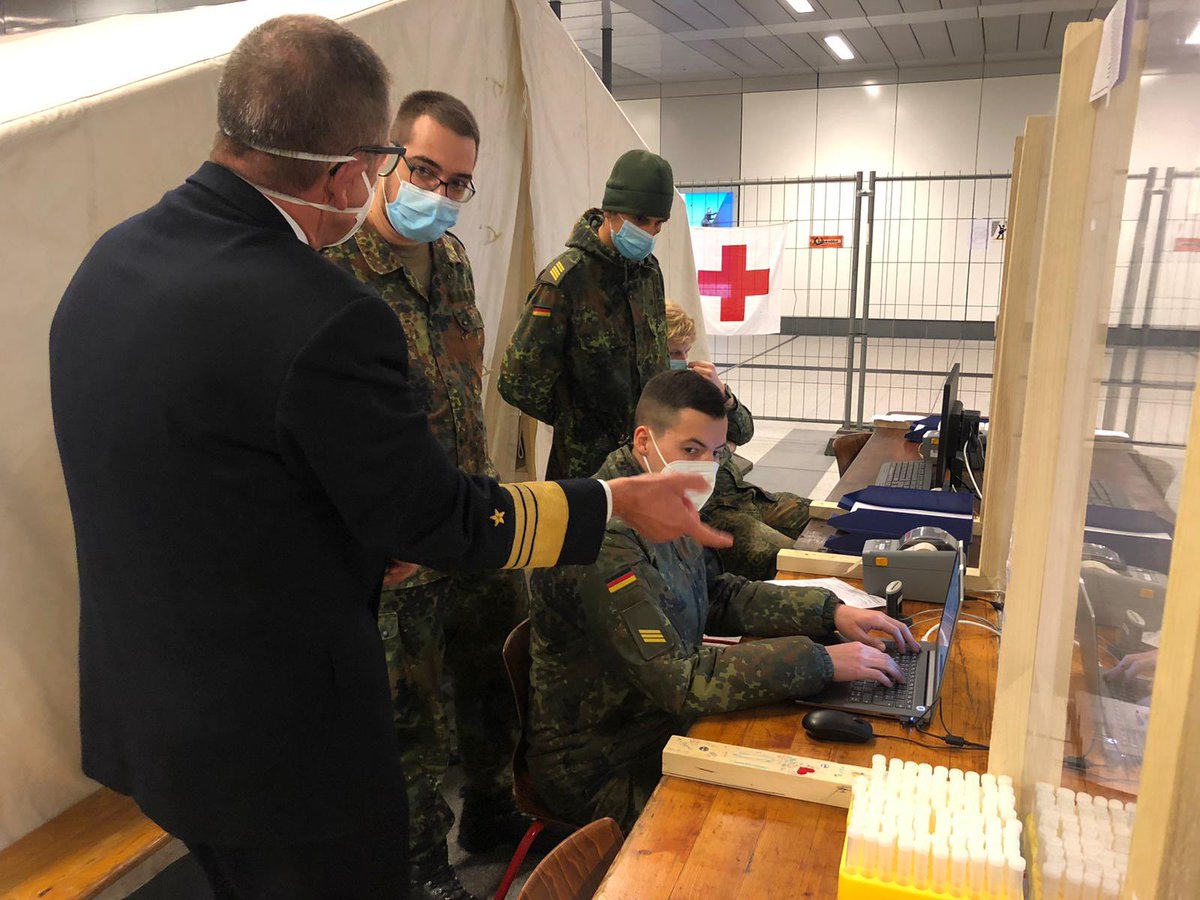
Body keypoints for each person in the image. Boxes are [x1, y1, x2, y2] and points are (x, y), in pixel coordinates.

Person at [48, 16, 727, 900]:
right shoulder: (322, 308)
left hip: (154, 710)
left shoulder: (108, 265)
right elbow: (432, 515)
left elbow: (213, 482)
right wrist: (613, 503)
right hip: (281, 739)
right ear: (351, 169)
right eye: (389, 170)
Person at [525, 370, 917, 831]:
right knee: (785, 821)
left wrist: (830, 610)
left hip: (657, 724)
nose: (705, 466)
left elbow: (717, 594)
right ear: (644, 440)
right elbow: (681, 682)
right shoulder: (604, 540)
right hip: (604, 763)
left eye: (716, 453)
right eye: (690, 450)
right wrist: (821, 661)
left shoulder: (661, 498)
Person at [323, 90, 528, 900]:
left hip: (467, 519)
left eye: (457, 184)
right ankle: (417, 870)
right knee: (409, 724)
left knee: (491, 683)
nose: (439, 196)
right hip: (396, 547)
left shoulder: (451, 263)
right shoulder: (331, 271)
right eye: (425, 171)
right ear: (385, 160)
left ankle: (489, 812)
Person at [498, 149, 674, 479]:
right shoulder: (565, 281)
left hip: (646, 462)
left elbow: (656, 358)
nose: (649, 233)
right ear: (610, 212)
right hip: (585, 473)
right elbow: (516, 381)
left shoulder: (648, 274)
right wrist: (575, 420)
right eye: (639, 221)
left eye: (658, 224)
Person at [665, 302, 814, 581]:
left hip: (744, 496)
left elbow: (743, 433)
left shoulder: (692, 388)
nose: (684, 360)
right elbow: (689, 461)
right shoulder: (650, 401)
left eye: (687, 351)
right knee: (794, 561)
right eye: (674, 353)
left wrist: (722, 395)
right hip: (711, 510)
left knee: (820, 518)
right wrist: (723, 449)